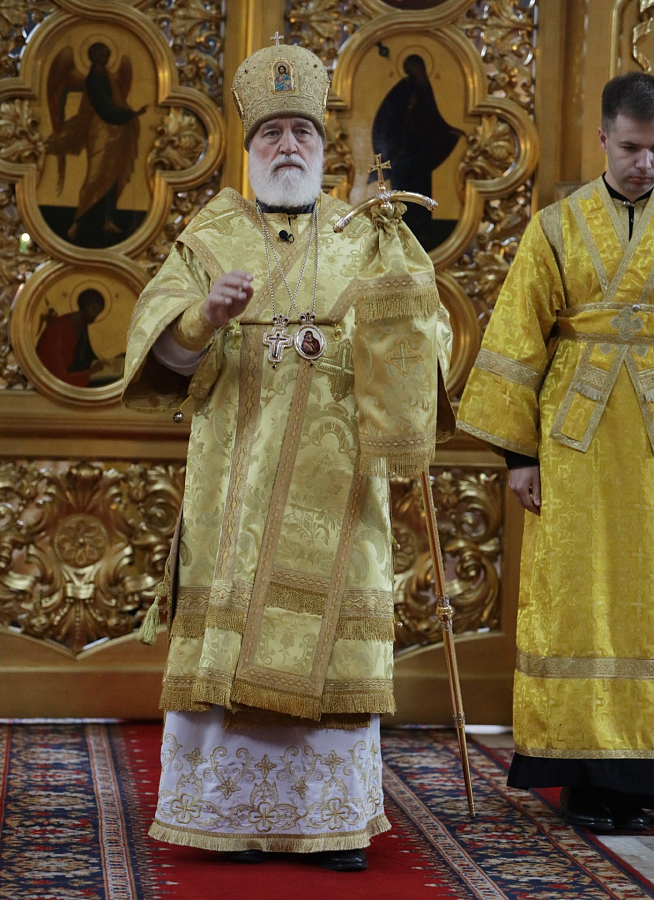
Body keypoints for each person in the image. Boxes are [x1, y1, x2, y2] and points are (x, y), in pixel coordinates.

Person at [123, 41, 454, 869]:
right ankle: (223, 817)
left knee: (330, 645)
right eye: (271, 133)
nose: (287, 146)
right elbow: (158, 351)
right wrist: (203, 315)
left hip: (340, 485)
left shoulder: (370, 233)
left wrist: (400, 318)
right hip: (233, 483)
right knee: (232, 639)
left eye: (302, 131)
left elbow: (430, 338)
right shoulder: (209, 236)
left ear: (323, 145)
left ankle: (328, 824)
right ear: (250, 147)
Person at [457, 71, 654, 833]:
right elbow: (515, 337)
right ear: (603, 138)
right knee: (577, 600)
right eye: (631, 147)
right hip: (577, 442)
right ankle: (587, 778)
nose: (644, 163)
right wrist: (520, 458)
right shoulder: (557, 227)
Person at [36, 288, 105, 386]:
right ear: (83, 305)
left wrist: (107, 363)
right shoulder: (56, 330)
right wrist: (90, 372)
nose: (94, 316)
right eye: (93, 309)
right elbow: (57, 377)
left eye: (98, 312)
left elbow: (86, 358)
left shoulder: (82, 326)